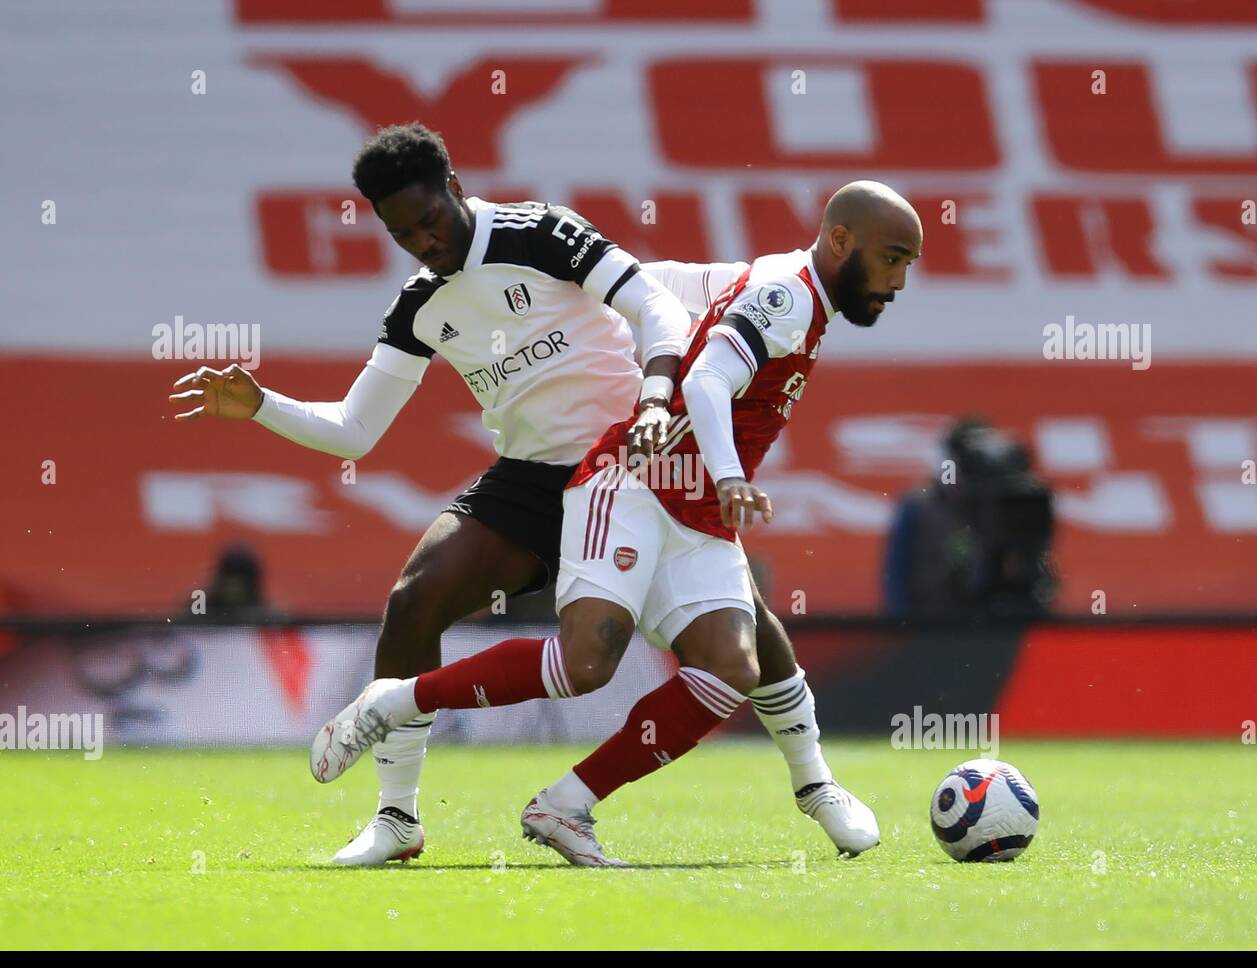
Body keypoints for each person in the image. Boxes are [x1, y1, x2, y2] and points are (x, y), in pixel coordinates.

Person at [172, 123, 872, 864]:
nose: (424, 242)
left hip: (635, 455)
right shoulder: (419, 306)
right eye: (402, 233)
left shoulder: (542, 233)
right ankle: (398, 819)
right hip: (534, 478)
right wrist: (262, 406)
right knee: (416, 599)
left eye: (431, 221)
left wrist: (658, 396)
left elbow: (654, 309)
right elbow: (353, 430)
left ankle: (815, 781)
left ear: (455, 188)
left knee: (743, 638)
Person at [312, 180, 923, 866]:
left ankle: (567, 805)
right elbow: (707, 381)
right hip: (632, 483)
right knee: (586, 663)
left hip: (691, 510)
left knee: (732, 665)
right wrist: (727, 475)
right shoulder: (785, 298)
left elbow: (656, 286)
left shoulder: (779, 282)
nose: (900, 280)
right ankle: (393, 704)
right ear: (841, 241)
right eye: (893, 258)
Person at [882, 416, 1057, 620]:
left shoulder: (1011, 503)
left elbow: (1039, 573)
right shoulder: (919, 504)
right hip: (936, 623)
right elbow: (896, 575)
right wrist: (903, 627)